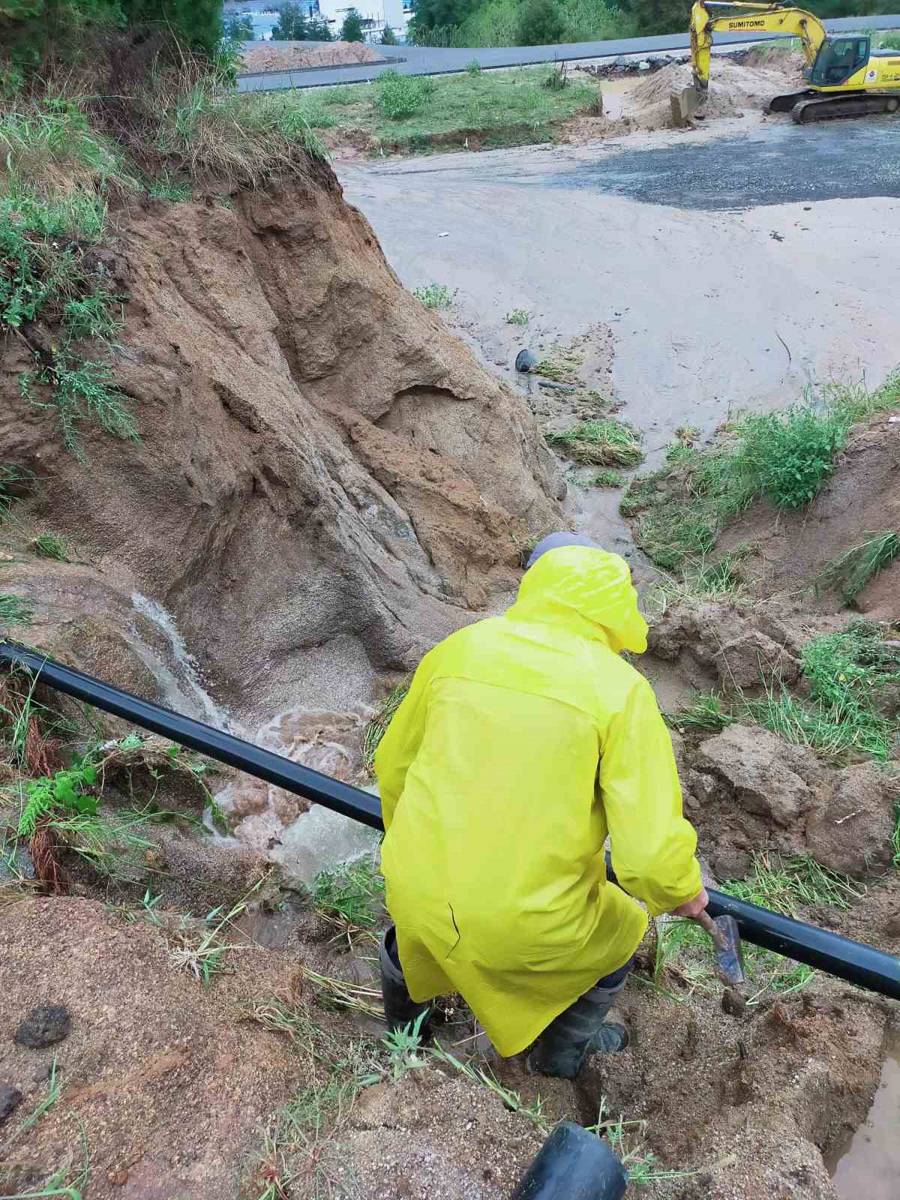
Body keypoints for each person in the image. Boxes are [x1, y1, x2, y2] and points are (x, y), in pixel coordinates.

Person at [374, 532, 707, 1079]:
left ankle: (404, 1039)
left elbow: (393, 769)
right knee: (622, 930)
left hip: (413, 892)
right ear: (614, 608)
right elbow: (646, 860)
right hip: (521, 927)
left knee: (414, 928)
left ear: (534, 584)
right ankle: (559, 1058)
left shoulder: (459, 648)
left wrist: (413, 849)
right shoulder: (621, 691)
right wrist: (684, 894)